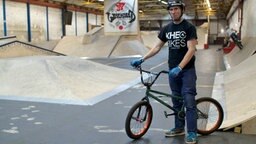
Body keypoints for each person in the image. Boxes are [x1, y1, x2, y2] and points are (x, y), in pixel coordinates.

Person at [130, 0, 198, 143]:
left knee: (189, 100)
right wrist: (142, 59)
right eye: (171, 9)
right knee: (176, 100)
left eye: (176, 9)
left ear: (182, 10)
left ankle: (192, 132)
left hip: (186, 71)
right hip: (172, 70)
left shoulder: (189, 27)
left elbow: (192, 49)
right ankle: (179, 128)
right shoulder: (167, 29)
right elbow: (156, 47)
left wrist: (180, 67)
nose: (174, 12)